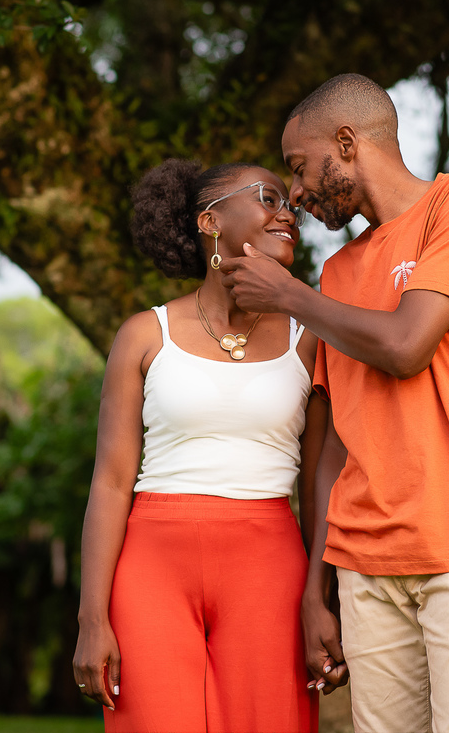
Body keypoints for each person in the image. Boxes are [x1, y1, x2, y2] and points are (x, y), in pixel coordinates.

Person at [219, 73, 449, 733]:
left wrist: (289, 295)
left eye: (300, 167)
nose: (297, 192)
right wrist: (316, 589)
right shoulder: (339, 275)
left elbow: (406, 345)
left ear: (347, 141)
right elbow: (336, 446)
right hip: (366, 565)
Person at [72, 159, 323, 733]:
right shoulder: (144, 333)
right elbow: (110, 482)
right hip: (152, 569)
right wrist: (92, 618)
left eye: (289, 203)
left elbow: (316, 484)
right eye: (268, 196)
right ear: (210, 219)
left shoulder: (309, 337)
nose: (287, 211)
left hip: (269, 567)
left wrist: (320, 597)